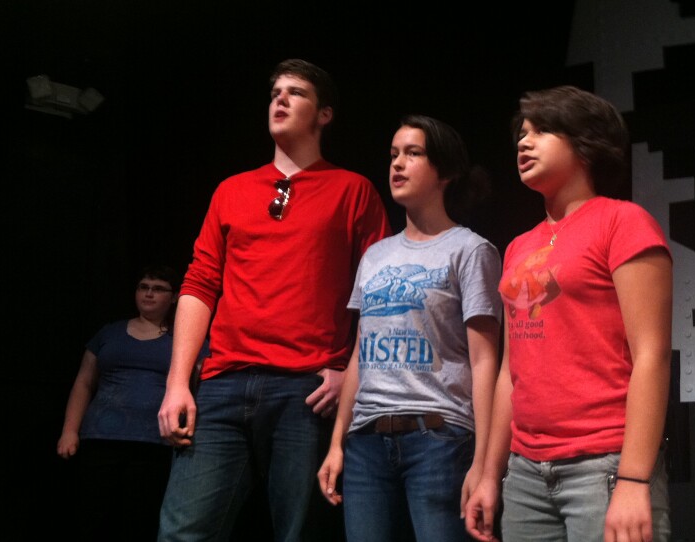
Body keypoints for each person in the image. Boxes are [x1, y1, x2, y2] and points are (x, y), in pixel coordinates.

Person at [156, 58, 391, 542]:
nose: (280, 99)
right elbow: (200, 284)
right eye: (275, 92)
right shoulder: (232, 189)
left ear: (324, 114)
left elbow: (379, 296)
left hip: (306, 391)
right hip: (223, 384)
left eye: (295, 92)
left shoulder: (353, 190)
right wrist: (177, 383)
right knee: (182, 532)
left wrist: (349, 372)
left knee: (298, 533)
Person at [464, 86, 673, 542]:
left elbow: (652, 354)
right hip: (525, 473)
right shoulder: (518, 247)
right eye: (522, 134)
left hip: (604, 464)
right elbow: (511, 372)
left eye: (541, 131)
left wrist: (634, 479)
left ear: (585, 143)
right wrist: (489, 474)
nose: (524, 142)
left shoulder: (623, 222)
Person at [316, 114, 502, 541]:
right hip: (366, 443)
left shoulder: (470, 250)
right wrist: (337, 443)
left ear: (445, 172)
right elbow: (359, 355)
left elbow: (484, 360)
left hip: (438, 437)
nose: (397, 164)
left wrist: (483, 462)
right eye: (393, 154)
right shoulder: (375, 256)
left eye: (413, 153)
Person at [57, 264, 203, 541]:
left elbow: (198, 388)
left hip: (155, 443)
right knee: (93, 519)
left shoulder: (184, 339)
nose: (148, 294)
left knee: (139, 521)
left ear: (174, 297)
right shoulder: (109, 333)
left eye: (158, 289)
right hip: (101, 437)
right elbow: (84, 383)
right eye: (143, 287)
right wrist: (69, 430)